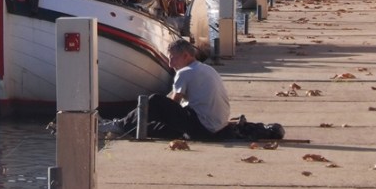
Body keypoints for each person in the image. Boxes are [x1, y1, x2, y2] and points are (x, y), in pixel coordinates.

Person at [98, 38, 284, 141]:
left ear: (186, 56)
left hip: (202, 127)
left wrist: (151, 109)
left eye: (173, 58)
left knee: (155, 101)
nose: (169, 63)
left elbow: (173, 103)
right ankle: (126, 127)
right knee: (155, 128)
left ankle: (118, 124)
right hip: (216, 128)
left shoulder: (185, 72)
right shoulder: (206, 68)